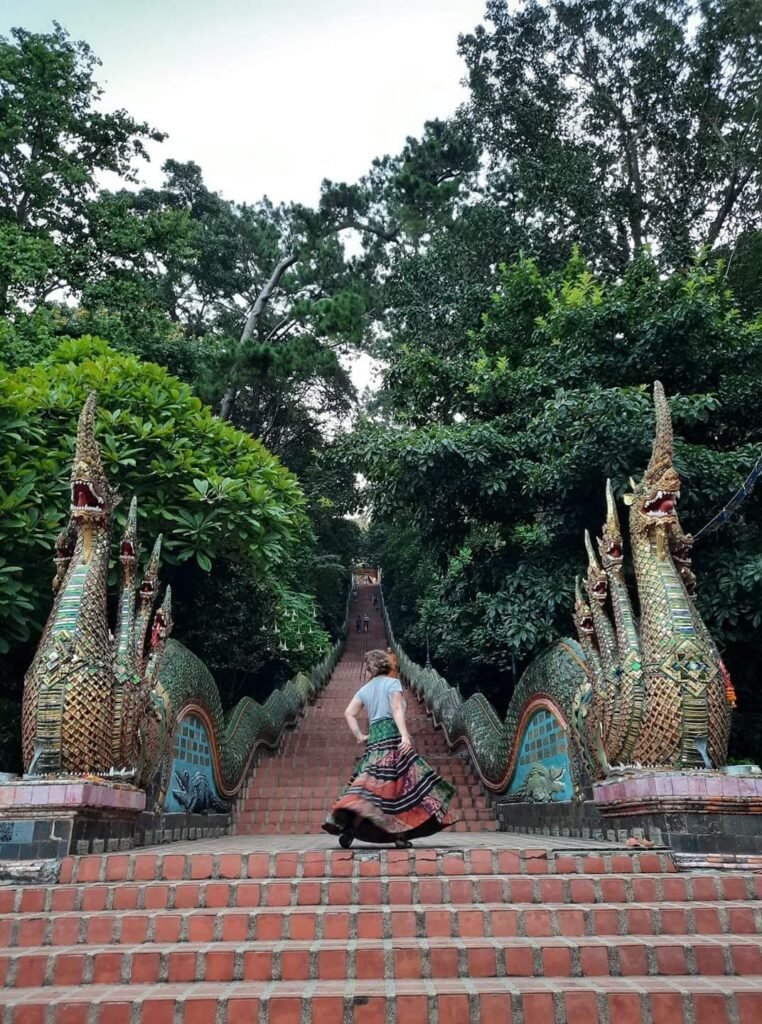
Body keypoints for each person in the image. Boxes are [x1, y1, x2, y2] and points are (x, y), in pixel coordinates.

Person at [322, 649, 455, 848]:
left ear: (372, 668)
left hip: (375, 742)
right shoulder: (392, 683)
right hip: (392, 739)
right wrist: (403, 735)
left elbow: (349, 713)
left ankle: (352, 827)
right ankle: (400, 838)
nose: (365, 671)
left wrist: (360, 735)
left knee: (371, 788)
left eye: (366, 668)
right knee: (400, 787)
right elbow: (396, 709)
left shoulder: (364, 690)